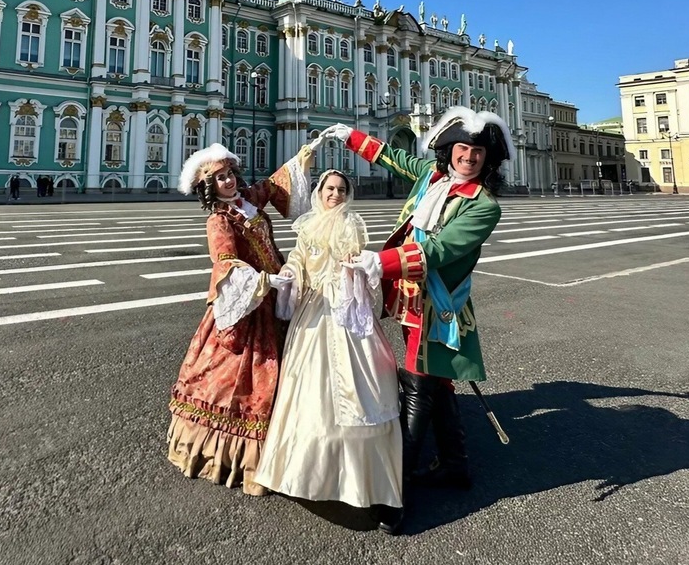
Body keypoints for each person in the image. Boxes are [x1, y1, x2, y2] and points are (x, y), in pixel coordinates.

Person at [323, 106, 514, 533]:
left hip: (438, 307)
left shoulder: (484, 206)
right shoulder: (432, 175)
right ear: (449, 150)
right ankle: (455, 465)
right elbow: (394, 157)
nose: (469, 157)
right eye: (462, 148)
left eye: (478, 152)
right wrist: (351, 137)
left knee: (417, 387)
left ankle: (395, 491)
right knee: (438, 384)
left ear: (488, 159)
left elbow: (440, 250)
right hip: (411, 298)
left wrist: (382, 262)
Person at [254, 170, 403, 532]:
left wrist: (357, 268)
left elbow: (361, 261)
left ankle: (369, 483)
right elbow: (299, 259)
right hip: (314, 310)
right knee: (308, 390)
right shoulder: (307, 226)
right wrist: (290, 272)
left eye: (340, 189)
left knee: (362, 390)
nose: (335, 194)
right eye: (329, 188)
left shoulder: (353, 223)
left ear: (348, 194)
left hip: (346, 309)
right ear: (319, 192)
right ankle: (303, 472)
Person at [166, 141, 317, 496]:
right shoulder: (219, 220)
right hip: (250, 302)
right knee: (250, 379)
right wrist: (262, 281)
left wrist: (300, 160)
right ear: (208, 186)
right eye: (220, 178)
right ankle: (245, 458)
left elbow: (272, 186)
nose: (229, 180)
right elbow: (225, 262)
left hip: (276, 292)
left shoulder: (247, 200)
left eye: (230, 173)